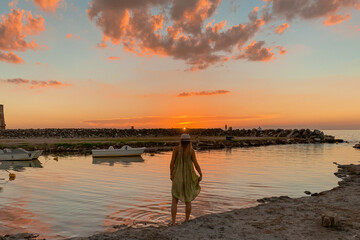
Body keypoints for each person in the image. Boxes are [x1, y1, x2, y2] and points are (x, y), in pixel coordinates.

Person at [170, 133, 202, 225]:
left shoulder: (176, 149)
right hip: (188, 178)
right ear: (189, 142)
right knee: (188, 200)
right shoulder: (191, 151)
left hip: (177, 178)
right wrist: (200, 174)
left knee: (174, 200)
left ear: (180, 141)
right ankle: (186, 220)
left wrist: (171, 174)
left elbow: (172, 163)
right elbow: (196, 164)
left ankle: (173, 222)